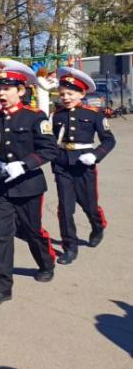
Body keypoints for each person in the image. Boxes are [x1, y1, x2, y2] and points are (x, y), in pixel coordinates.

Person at [0, 59, 58, 306]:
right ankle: (3, 285)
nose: (1, 93)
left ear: (21, 91)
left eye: (7, 88)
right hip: (1, 186)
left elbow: (50, 150)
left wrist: (25, 164)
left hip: (28, 186)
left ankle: (46, 262)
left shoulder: (35, 117)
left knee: (32, 231)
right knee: (1, 235)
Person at [50, 67, 116, 265]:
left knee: (89, 205)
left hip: (83, 164)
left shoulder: (94, 114)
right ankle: (69, 247)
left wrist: (95, 155)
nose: (66, 97)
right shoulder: (57, 115)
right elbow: (52, 139)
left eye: (70, 94)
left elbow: (109, 140)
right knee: (65, 208)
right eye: (62, 94)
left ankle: (98, 225)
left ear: (82, 93)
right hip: (62, 164)